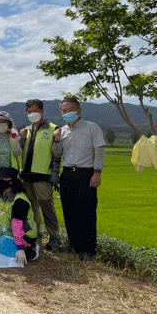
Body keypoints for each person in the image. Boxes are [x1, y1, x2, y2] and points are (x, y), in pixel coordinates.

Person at [52, 97, 105, 261]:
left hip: (86, 174)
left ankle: (89, 250)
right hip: (67, 174)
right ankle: (75, 246)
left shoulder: (92, 128)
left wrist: (97, 173)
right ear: (61, 112)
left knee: (87, 213)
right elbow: (57, 153)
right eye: (64, 110)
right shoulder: (62, 131)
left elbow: (100, 151)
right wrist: (56, 140)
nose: (67, 113)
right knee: (69, 212)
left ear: (79, 110)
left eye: (71, 109)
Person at [19, 99, 62, 251]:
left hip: (43, 176)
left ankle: (55, 237)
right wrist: (21, 138)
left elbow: (57, 153)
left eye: (35, 111)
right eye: (29, 112)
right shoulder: (26, 130)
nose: (32, 114)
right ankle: (36, 234)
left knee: (47, 207)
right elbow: (19, 151)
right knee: (31, 207)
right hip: (26, 176)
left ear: (42, 111)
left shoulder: (53, 129)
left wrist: (55, 172)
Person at [0, 167, 39, 267]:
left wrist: (19, 247)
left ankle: (30, 247)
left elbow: (17, 225)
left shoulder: (19, 201)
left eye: (2, 179)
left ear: (11, 182)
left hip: (25, 234)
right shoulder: (7, 196)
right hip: (13, 231)